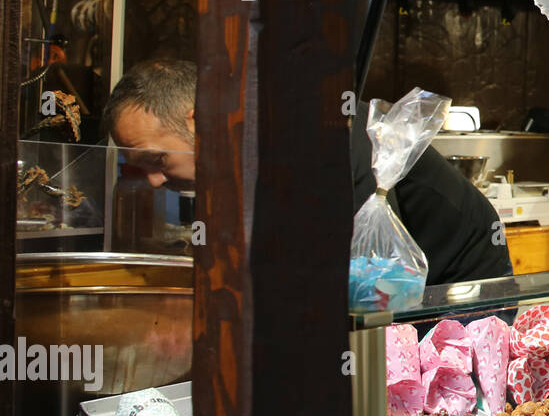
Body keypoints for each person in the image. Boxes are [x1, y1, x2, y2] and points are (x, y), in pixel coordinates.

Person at [104, 59, 512, 285]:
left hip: (458, 279)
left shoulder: (311, 142)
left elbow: (374, 276)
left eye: (157, 162)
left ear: (199, 122)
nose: (155, 182)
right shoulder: (239, 147)